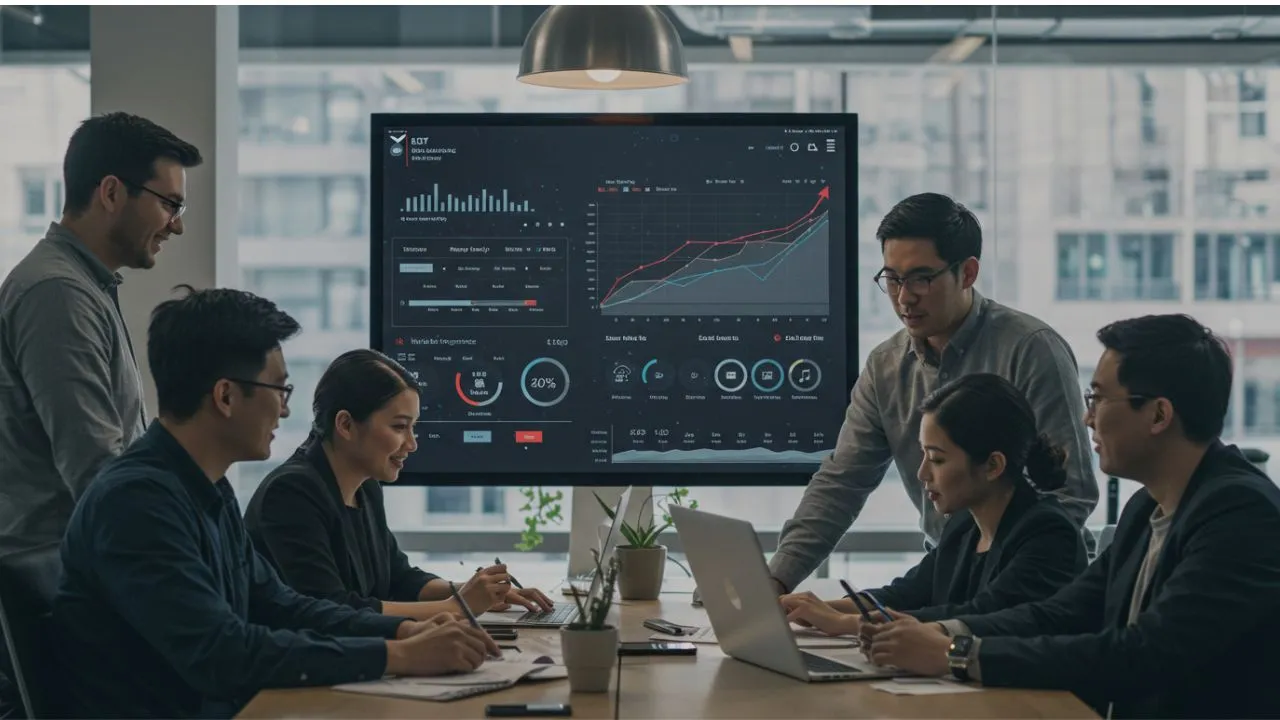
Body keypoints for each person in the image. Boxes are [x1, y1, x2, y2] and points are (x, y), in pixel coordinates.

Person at [52, 287, 499, 719]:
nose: (285, 411)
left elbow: (283, 606)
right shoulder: (137, 502)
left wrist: (403, 631)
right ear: (226, 396)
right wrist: (396, 654)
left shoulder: (205, 488)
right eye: (279, 390)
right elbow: (223, 654)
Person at [864, 314, 1280, 719]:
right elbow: (1061, 612)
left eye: (1098, 399)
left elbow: (1145, 653)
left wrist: (956, 655)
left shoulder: (1239, 513)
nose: (1087, 418)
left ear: (1158, 415)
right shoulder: (1146, 508)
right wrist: (943, 634)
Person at [768, 193, 1097, 595]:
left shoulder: (1031, 349)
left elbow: (1070, 493)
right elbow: (842, 482)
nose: (904, 297)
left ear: (968, 273)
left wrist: (985, 584)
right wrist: (774, 582)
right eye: (892, 278)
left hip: (1034, 586)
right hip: (942, 578)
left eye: (921, 278)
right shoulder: (885, 366)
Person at [0, 111, 202, 556]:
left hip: (88, 568)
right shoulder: (57, 292)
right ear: (111, 192)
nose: (177, 225)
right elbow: (95, 464)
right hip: (64, 583)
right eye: (169, 204)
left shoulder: (82, 284)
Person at [244, 348, 555, 620]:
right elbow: (332, 608)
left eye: (413, 428)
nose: (412, 444)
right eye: (399, 427)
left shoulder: (365, 486)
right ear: (346, 425)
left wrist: (477, 593)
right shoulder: (291, 493)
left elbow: (399, 578)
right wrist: (458, 607)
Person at [781, 373, 1087, 635]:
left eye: (937, 459)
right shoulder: (966, 524)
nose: (922, 473)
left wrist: (844, 623)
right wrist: (815, 608)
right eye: (924, 455)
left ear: (993, 465)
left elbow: (980, 616)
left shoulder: (1048, 533)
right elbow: (908, 594)